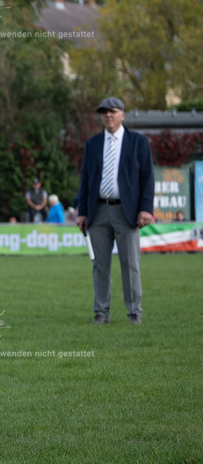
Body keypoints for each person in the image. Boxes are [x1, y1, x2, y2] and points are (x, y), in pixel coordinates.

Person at [76, 97, 154, 325]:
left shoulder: (138, 142)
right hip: (98, 211)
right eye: (104, 112)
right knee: (100, 265)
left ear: (123, 114)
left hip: (127, 212)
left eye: (113, 111)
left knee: (130, 264)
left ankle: (134, 313)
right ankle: (101, 312)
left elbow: (148, 177)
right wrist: (82, 211)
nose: (108, 115)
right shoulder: (92, 144)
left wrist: (145, 209)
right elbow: (86, 180)